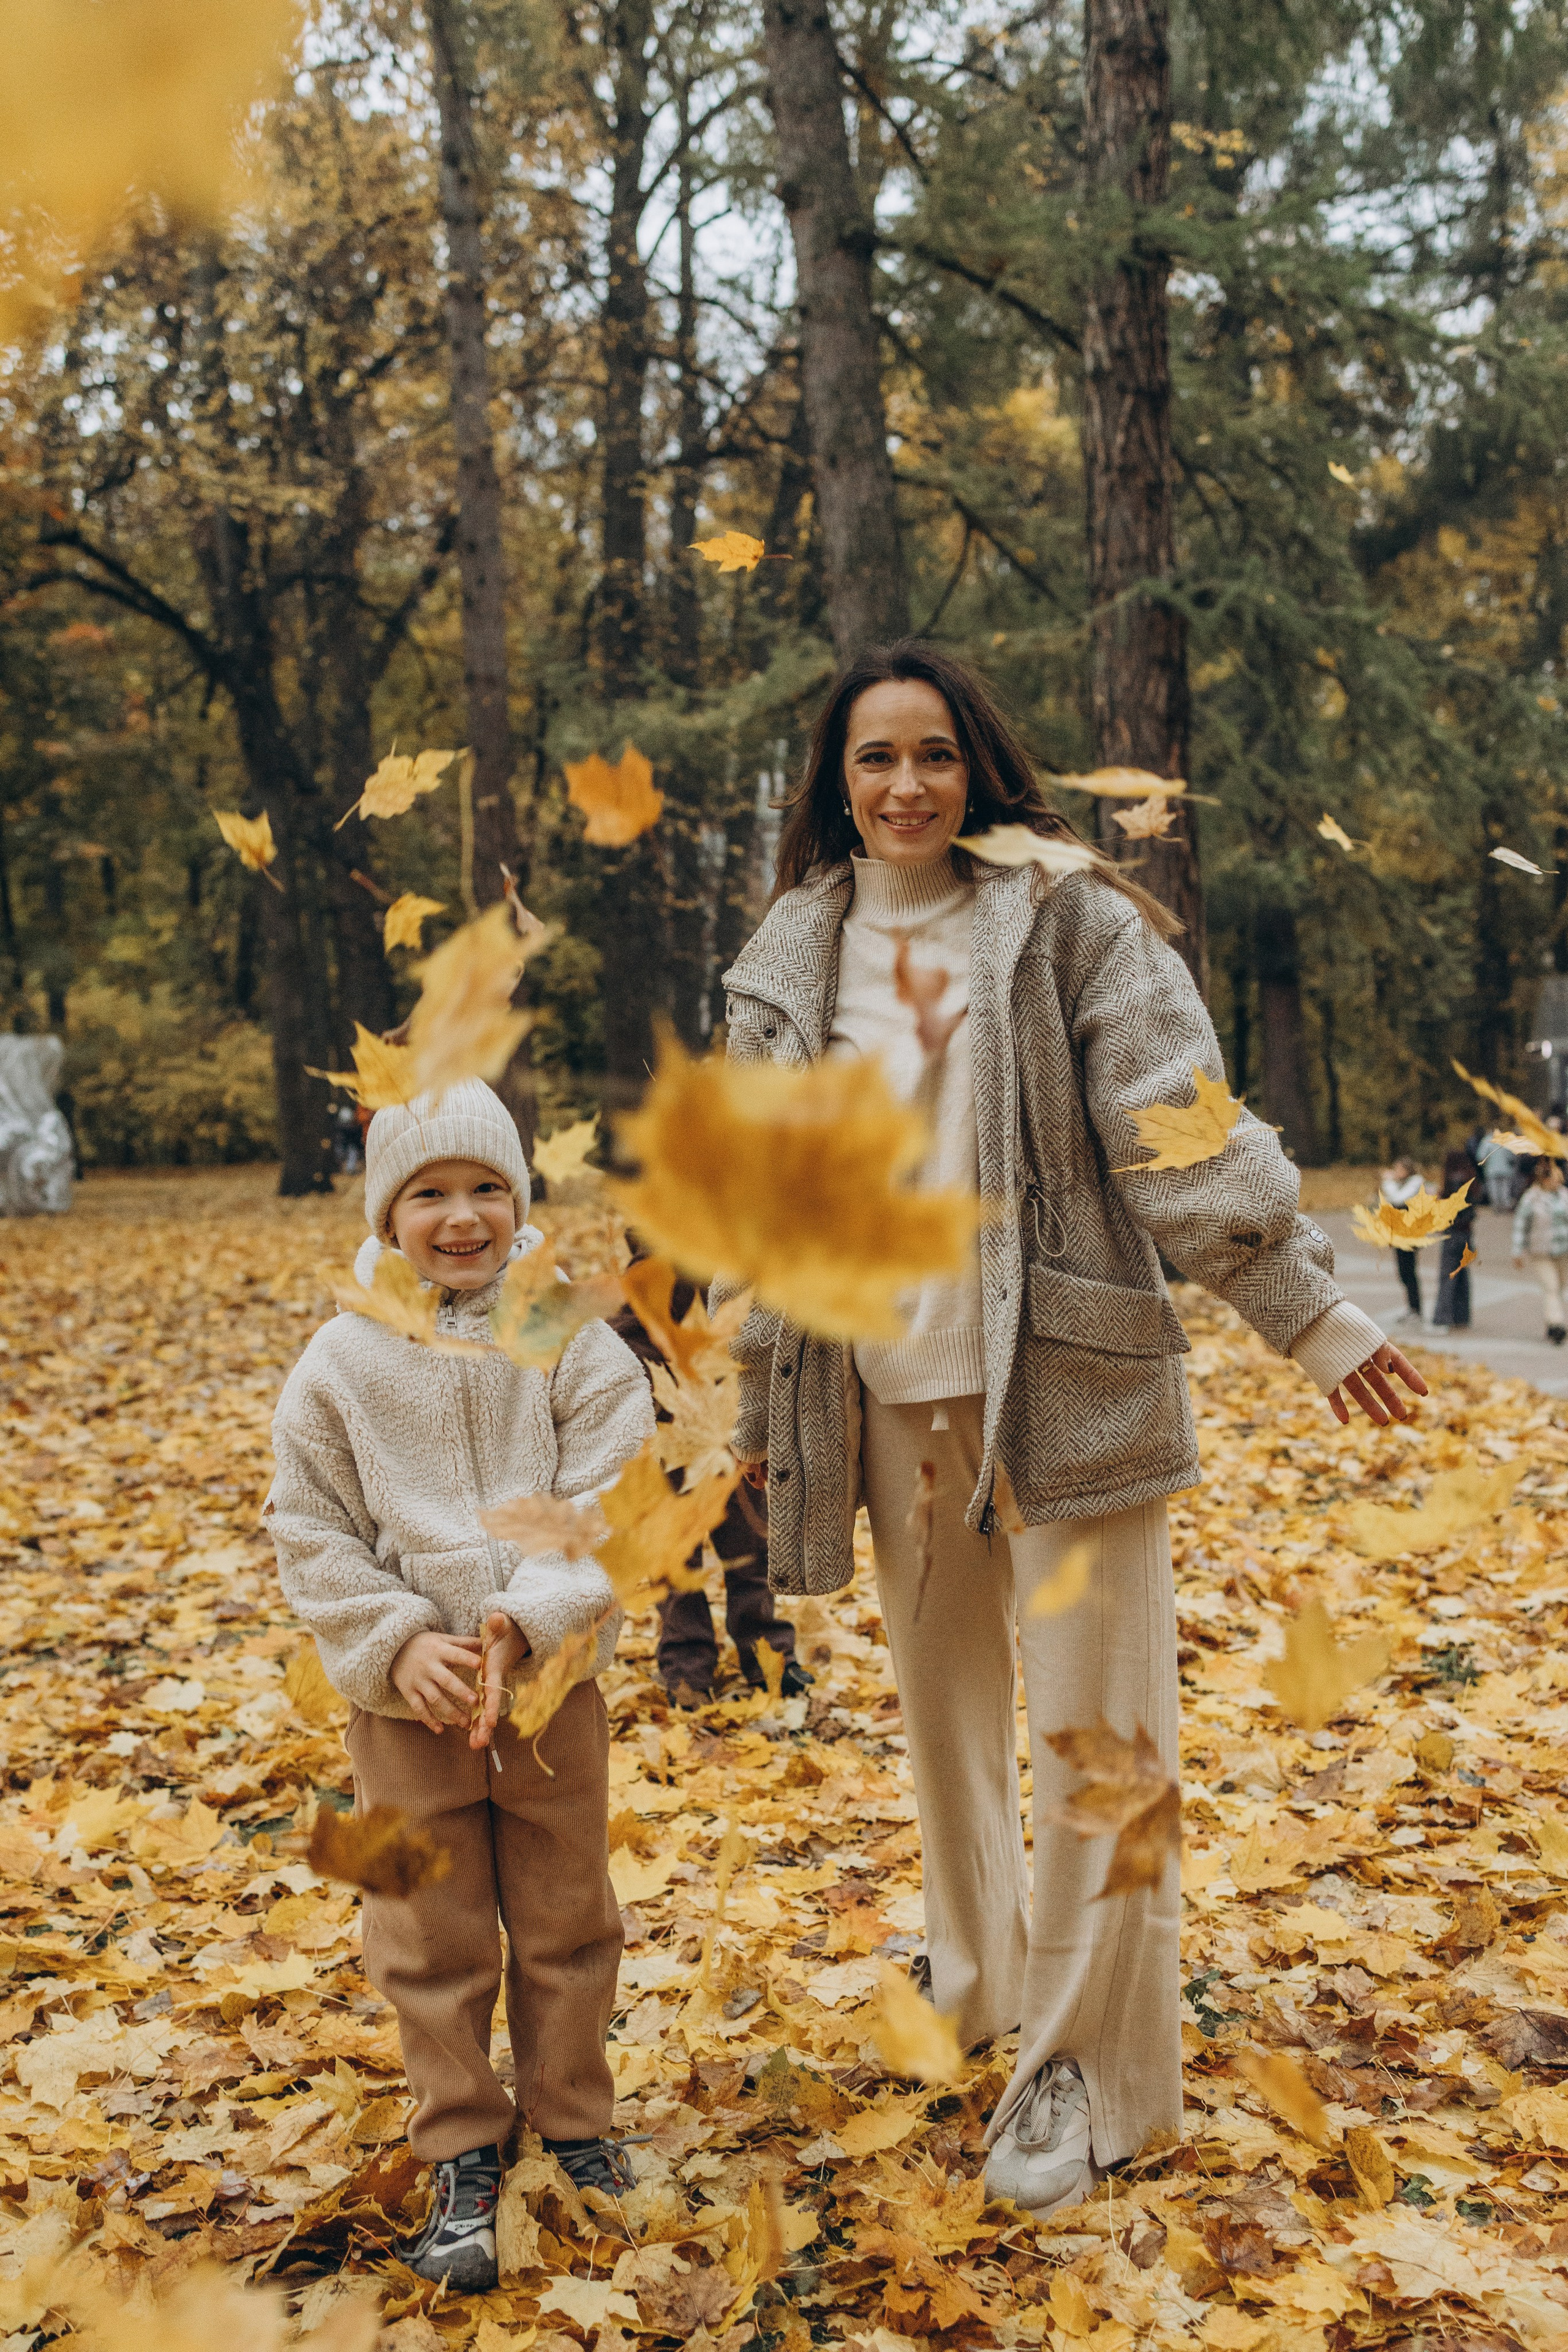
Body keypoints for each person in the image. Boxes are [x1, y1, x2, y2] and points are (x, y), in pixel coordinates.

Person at [720, 641, 1426, 2221]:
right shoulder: (786, 957)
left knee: (1103, 1748)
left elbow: (1176, 1121)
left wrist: (1308, 1313)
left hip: (1065, 1380)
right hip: (880, 1393)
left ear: (978, 766)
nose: (905, 784)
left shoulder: (1066, 918)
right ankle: (977, 1979)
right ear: (834, 784)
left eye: (933, 753)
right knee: (947, 1732)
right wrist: (755, 1401)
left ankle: (1088, 2069)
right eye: (873, 758)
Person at [265, 1081, 654, 2290]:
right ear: (386, 1216)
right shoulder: (340, 1362)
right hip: (409, 1709)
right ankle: (461, 2148)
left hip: (545, 1688)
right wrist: (392, 1641)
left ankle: (574, 2123)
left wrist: (533, 1617)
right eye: (428, 1193)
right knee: (427, 1935)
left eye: (487, 1186)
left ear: (520, 1200)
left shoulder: (568, 1337)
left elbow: (615, 1487)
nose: (462, 1216)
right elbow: (309, 1527)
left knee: (567, 1917)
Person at [609, 1258, 812, 1705]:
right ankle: (687, 1670)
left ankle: (769, 1657)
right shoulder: (650, 1273)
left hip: (730, 1434)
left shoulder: (735, 1263)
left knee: (752, 1553)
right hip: (666, 1442)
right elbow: (618, 1341)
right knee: (675, 1561)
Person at [1512, 1153, 1568, 1343]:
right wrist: (1517, 1251)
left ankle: (1551, 1322)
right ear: (1544, 1179)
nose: (1559, 1182)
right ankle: (1557, 1324)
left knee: (1559, 1288)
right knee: (1551, 1287)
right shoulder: (1531, 1198)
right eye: (1555, 1179)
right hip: (1541, 1252)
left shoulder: (1564, 1195)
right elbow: (1521, 1225)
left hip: (1564, 1251)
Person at [1430, 1143, 1479, 1330]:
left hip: (1453, 1234)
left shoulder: (1453, 1182)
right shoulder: (1469, 1180)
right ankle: (1461, 1316)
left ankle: (1443, 1317)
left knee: (1448, 1276)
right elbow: (1471, 1211)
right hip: (1466, 1234)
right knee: (1462, 1277)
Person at [1379, 1152, 1425, 1322]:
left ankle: (1416, 1309)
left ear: (1407, 1170)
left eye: (1399, 1169)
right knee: (1403, 1272)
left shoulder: (1416, 1182)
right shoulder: (1400, 1184)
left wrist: (1387, 1181)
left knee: (1409, 1271)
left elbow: (1399, 1199)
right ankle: (1412, 1308)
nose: (1396, 1172)